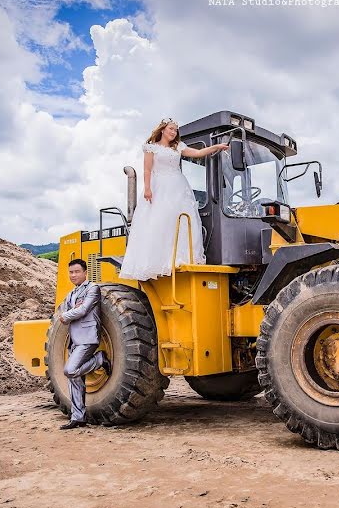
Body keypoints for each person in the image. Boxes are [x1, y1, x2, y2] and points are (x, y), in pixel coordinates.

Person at [117, 117, 229, 280]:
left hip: (178, 186)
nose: (173, 132)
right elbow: (147, 170)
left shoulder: (178, 147)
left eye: (176, 130)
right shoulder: (151, 148)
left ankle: (180, 258)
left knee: (182, 219)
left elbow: (197, 153)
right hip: (160, 186)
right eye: (171, 129)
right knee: (160, 220)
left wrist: (216, 146)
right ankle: (159, 261)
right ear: (163, 130)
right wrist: (147, 188)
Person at [58, 258, 109, 430]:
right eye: (71, 272)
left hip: (87, 338)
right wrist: (71, 312)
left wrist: (67, 315)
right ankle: (78, 417)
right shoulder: (71, 294)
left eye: (77, 271)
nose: (73, 275)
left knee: (70, 370)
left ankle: (100, 360)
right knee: (75, 379)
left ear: (85, 272)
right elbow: (68, 311)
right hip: (74, 340)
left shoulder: (93, 288)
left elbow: (83, 309)